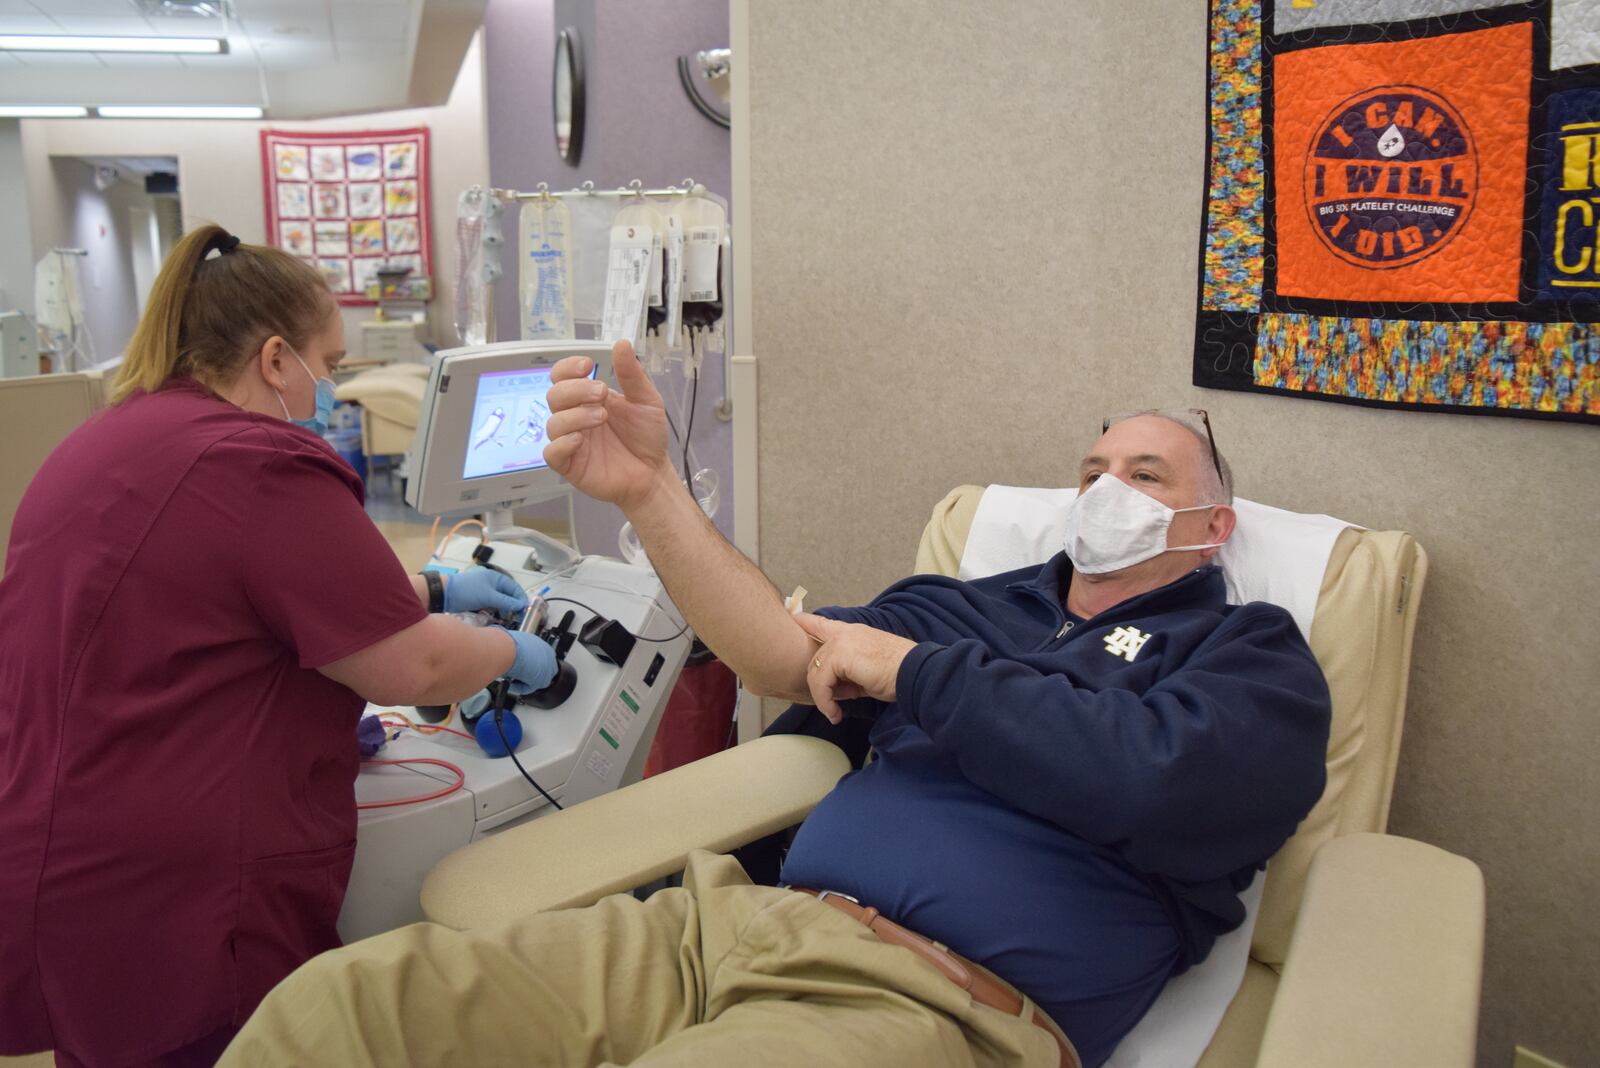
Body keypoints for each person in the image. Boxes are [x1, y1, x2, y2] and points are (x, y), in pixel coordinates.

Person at [218, 341, 1331, 1068]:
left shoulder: (1246, 655)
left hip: (932, 1003)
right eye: (1092, 468)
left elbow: (1159, 778)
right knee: (340, 1016)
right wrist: (650, 492)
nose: (1105, 491)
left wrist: (913, 675)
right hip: (721, 928)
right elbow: (776, 654)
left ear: (1214, 527)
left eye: (1145, 476)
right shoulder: (967, 606)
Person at [0, 225, 559, 1067]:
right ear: (273, 360)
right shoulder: (258, 462)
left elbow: (237, 601)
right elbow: (416, 666)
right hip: (184, 893)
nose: (330, 386)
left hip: (68, 855)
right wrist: (514, 655)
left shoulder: (113, 441)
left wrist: (439, 590)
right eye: (328, 364)